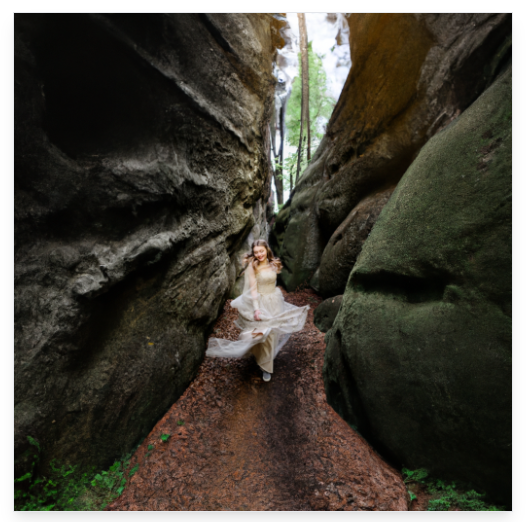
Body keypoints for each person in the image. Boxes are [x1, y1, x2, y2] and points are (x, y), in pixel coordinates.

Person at [206, 239, 309, 381]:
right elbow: (253, 290)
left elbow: (273, 282)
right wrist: (256, 309)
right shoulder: (252, 267)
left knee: (271, 334)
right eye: (256, 252)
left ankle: (266, 363)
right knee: (261, 334)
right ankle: (264, 365)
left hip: (275, 300)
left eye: (261, 251)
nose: (259, 254)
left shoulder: (274, 264)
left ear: (267, 250)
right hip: (260, 303)